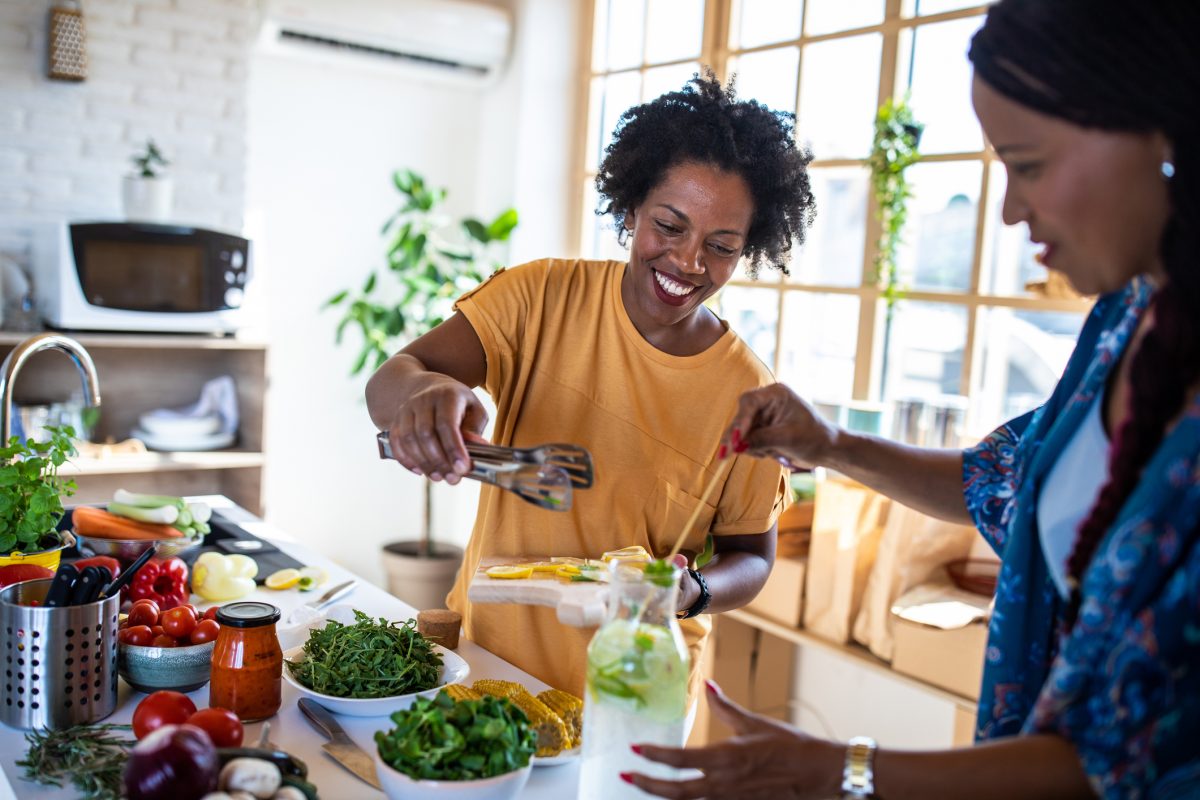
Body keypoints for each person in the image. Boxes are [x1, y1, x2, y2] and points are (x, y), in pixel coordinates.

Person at [625, 1, 1200, 798]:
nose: (1009, 209)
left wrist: (844, 773)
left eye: (1027, 164)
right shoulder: (1124, 320)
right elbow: (999, 482)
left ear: (1165, 132)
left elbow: (1122, 757)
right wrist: (832, 446)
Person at [366, 72, 816, 699]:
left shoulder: (746, 392)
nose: (688, 262)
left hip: (633, 693)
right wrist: (422, 401)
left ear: (748, 250)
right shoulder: (542, 295)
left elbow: (754, 555)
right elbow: (391, 380)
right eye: (669, 226)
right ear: (633, 209)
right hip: (486, 662)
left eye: (719, 245)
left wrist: (693, 591)